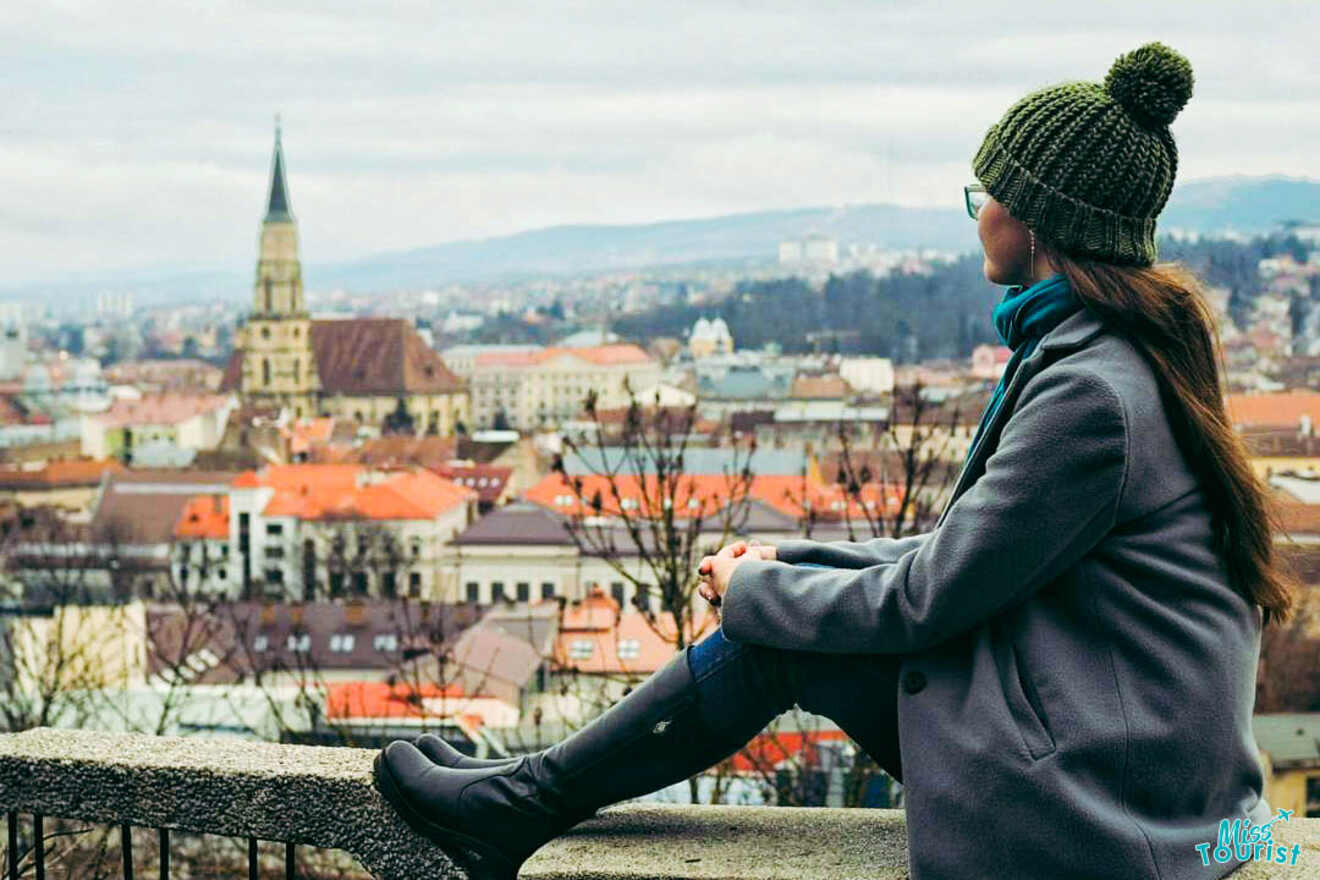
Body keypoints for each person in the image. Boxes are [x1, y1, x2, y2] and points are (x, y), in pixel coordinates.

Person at [373, 41, 1296, 880]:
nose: (979, 218)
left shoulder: (1092, 393)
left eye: (987, 196)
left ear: (1038, 221)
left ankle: (515, 807)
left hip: (1112, 803)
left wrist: (753, 595)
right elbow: (959, 556)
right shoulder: (1119, 354)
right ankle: (520, 789)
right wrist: (784, 566)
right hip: (1146, 763)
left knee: (768, 641)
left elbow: (929, 595)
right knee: (780, 615)